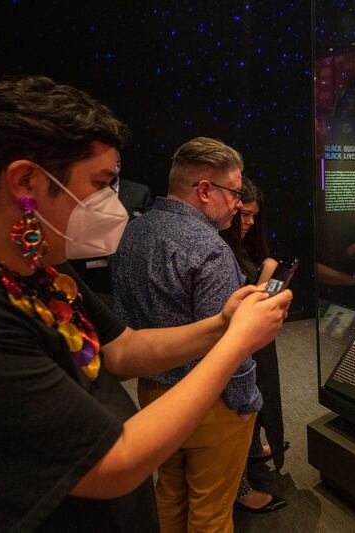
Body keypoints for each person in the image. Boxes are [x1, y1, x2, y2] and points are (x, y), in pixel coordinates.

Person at [0, 76, 291, 532]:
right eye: (99, 183)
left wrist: (222, 323)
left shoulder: (45, 267)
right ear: (26, 181)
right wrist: (236, 341)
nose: (112, 202)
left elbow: (123, 349)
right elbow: (113, 462)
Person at [111, 137, 278, 532]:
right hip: (211, 403)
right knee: (212, 511)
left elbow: (123, 321)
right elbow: (231, 346)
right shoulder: (211, 249)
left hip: (152, 395)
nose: (239, 204)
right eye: (235, 193)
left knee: (169, 493)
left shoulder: (132, 233)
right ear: (205, 190)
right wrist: (246, 402)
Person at [220, 177, 288, 513]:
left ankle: (250, 454)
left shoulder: (241, 245)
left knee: (259, 400)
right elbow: (238, 312)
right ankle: (240, 487)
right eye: (243, 214)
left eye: (253, 217)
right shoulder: (219, 250)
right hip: (236, 353)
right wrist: (268, 275)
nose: (248, 222)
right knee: (239, 413)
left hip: (253, 347)